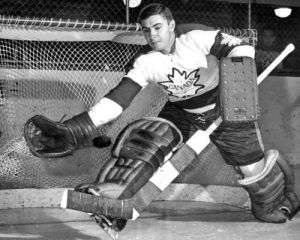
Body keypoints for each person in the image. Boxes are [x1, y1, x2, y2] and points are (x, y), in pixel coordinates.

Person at [24, 3, 299, 238]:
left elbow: (241, 48)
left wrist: (237, 92)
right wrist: (77, 128)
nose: (152, 35)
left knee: (255, 175)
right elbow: (118, 99)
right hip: (183, 113)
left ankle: (279, 202)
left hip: (226, 109)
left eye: (157, 27)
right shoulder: (146, 61)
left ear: (171, 24)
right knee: (148, 144)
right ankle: (116, 199)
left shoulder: (193, 36)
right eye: (146, 30)